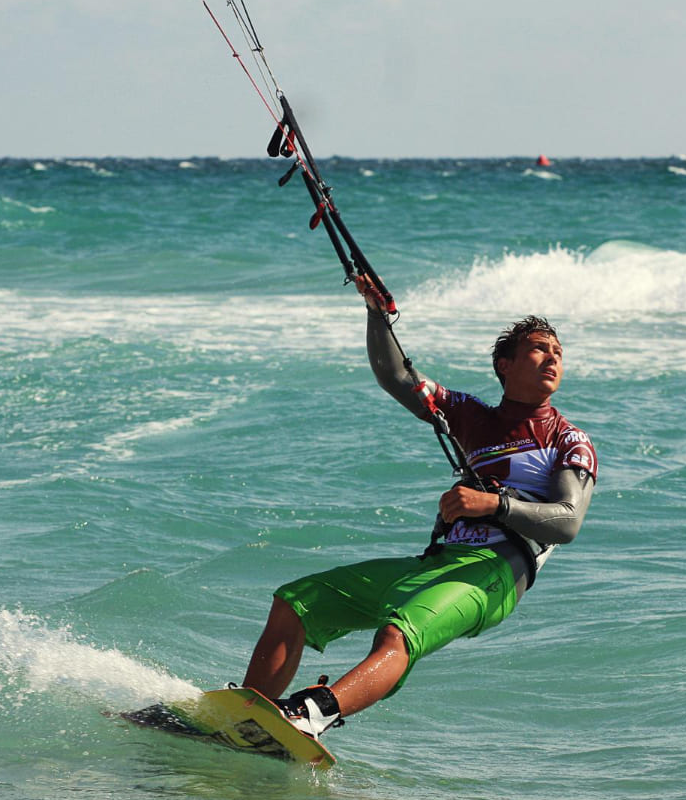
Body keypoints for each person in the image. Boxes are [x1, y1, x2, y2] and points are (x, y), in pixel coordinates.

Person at [241, 274, 598, 737]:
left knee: (398, 633)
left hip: (495, 573)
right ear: (505, 365)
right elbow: (395, 376)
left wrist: (493, 504)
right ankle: (246, 712)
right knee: (296, 601)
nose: (552, 357)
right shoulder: (471, 416)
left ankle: (310, 715)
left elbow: (567, 523)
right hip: (438, 563)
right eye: (539, 348)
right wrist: (376, 312)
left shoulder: (568, 440)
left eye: (558, 353)